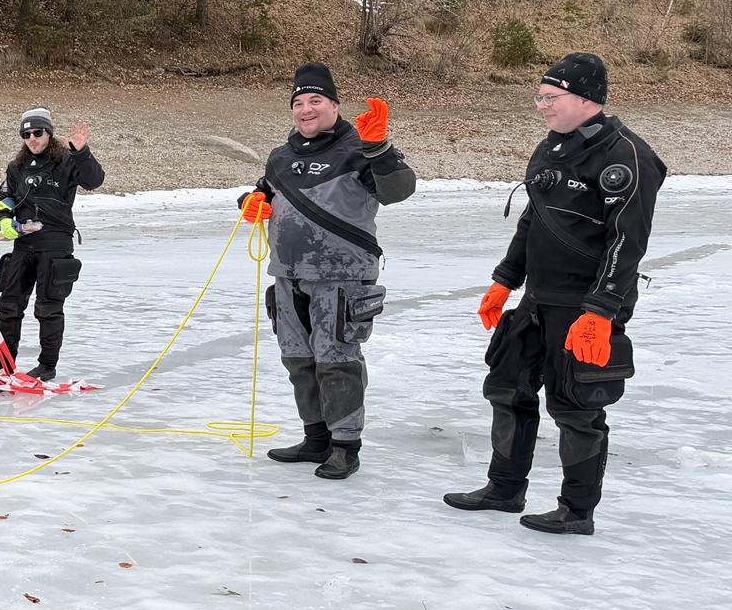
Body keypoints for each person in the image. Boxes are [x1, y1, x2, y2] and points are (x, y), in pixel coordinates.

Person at [445, 53, 664, 535]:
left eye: (551, 97)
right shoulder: (552, 148)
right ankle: (504, 488)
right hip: (538, 299)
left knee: (576, 407)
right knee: (508, 388)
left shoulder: (626, 155)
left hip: (585, 306)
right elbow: (533, 219)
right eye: (539, 97)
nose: (542, 106)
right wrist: (505, 279)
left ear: (586, 99)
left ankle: (576, 510)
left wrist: (601, 311)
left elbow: (627, 242)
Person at [239, 63, 415, 479]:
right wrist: (251, 201)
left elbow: (398, 190)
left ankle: (345, 447)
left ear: (334, 105)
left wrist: (380, 149)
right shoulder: (281, 156)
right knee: (298, 359)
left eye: (315, 100)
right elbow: (265, 191)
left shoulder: (359, 149)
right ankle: (315, 438)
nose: (306, 109)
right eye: (298, 102)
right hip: (288, 275)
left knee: (337, 361)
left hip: (342, 277)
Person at [0, 108, 104, 381]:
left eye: (38, 132)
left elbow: (94, 181)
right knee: (9, 306)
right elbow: (4, 200)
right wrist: (4, 222)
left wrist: (81, 151)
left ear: (49, 133)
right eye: (26, 134)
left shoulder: (65, 160)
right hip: (23, 245)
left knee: (48, 308)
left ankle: (47, 366)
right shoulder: (16, 167)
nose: (32, 138)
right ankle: (4, 362)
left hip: (55, 246)